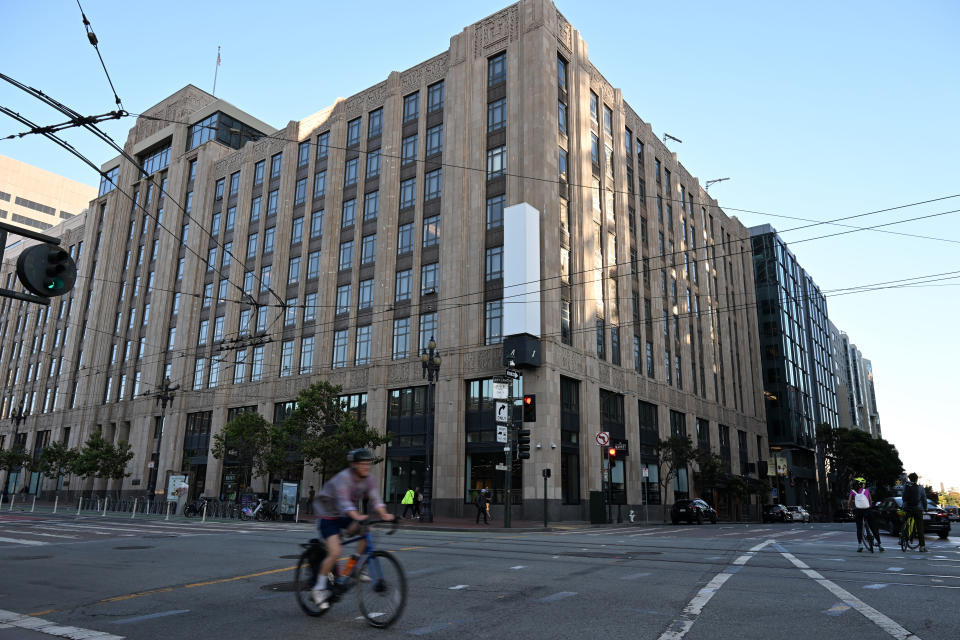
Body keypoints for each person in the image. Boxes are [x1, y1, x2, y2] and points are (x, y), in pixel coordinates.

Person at [311, 448, 394, 608]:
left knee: (366, 531)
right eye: (362, 464)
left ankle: (355, 567)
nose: (366, 467)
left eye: (368, 464)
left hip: (343, 514)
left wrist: (385, 514)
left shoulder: (368, 479)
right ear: (354, 465)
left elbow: (376, 498)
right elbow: (344, 502)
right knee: (335, 552)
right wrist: (357, 517)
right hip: (327, 514)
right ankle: (318, 588)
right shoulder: (344, 478)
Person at [847, 477, 882, 552]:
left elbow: (849, 501)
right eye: (863, 484)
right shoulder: (866, 491)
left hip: (858, 511)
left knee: (859, 528)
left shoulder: (852, 491)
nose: (864, 485)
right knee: (873, 527)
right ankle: (880, 544)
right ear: (860, 484)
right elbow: (870, 501)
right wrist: (869, 506)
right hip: (867, 510)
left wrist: (849, 508)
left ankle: (860, 545)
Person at [902, 472, 927, 552]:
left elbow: (903, 497)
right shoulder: (920, 488)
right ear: (917, 479)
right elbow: (924, 499)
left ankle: (902, 537)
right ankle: (922, 547)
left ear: (909, 479)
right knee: (920, 527)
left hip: (907, 508)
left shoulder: (906, 487)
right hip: (917, 509)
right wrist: (925, 508)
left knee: (904, 521)